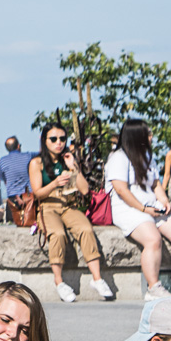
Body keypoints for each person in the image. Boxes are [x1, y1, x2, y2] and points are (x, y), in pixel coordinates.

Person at [107, 118, 171, 304]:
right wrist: (144, 209)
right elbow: (121, 190)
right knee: (153, 239)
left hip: (152, 205)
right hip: (128, 208)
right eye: (148, 133)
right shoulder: (118, 158)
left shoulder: (147, 155)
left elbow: (155, 183)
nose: (151, 137)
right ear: (136, 136)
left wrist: (163, 200)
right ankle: (153, 287)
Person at [28, 123, 112, 303]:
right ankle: (59, 282)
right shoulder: (37, 163)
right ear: (44, 141)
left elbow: (84, 190)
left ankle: (97, 279)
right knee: (57, 234)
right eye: (53, 139)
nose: (58, 143)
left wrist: (73, 167)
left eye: (62, 139)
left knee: (85, 229)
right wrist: (55, 183)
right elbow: (37, 193)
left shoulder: (67, 160)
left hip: (67, 205)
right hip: (47, 205)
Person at [0, 137, 34, 214]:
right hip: (28, 197)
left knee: (10, 224)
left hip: (12, 199)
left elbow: (4, 180)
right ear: (18, 146)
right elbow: (43, 153)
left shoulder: (3, 161)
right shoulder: (28, 156)